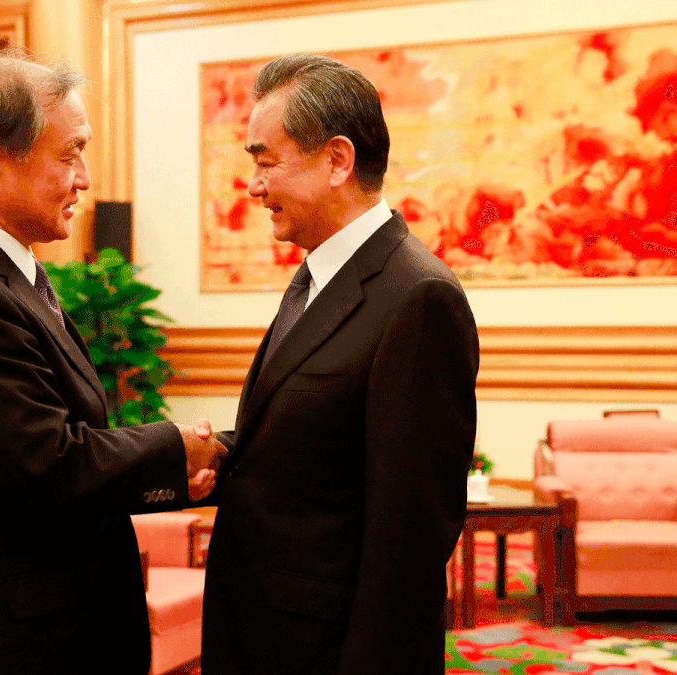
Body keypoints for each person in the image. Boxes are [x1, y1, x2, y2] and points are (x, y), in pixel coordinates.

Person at [0, 51, 226, 675]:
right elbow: (49, 465)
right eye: (70, 153)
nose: (84, 177)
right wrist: (177, 448)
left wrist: (171, 467)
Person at [200, 54, 480, 675]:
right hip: (264, 633)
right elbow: (306, 448)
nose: (253, 186)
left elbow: (408, 539)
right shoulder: (317, 275)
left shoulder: (417, 296)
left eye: (265, 161)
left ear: (337, 160)